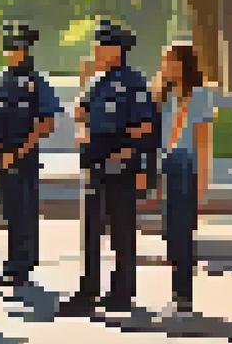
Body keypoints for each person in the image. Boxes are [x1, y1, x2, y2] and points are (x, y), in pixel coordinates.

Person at [57, 21, 159, 317]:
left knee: (121, 231)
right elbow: (80, 113)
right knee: (90, 230)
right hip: (93, 164)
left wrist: (123, 150)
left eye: (101, 45)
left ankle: (122, 292)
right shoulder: (96, 81)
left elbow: (145, 127)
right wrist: (83, 86)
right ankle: (88, 290)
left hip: (119, 164)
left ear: (116, 50)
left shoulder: (134, 83)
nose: (96, 50)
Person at [0, 22, 61, 288]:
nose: (11, 52)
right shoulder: (0, 80)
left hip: (24, 156)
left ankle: (22, 265)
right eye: (8, 47)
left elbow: (47, 124)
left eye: (16, 48)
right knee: (10, 210)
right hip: (2, 155)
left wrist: (19, 152)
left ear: (26, 50)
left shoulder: (37, 82)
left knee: (25, 210)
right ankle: (13, 264)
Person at [152, 42, 216, 319]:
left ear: (186, 65)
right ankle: (177, 294)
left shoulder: (199, 95)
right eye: (165, 62)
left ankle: (183, 296)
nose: (167, 67)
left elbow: (203, 141)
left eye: (173, 62)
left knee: (182, 234)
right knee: (170, 233)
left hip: (186, 165)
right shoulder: (164, 95)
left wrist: (202, 182)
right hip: (165, 164)